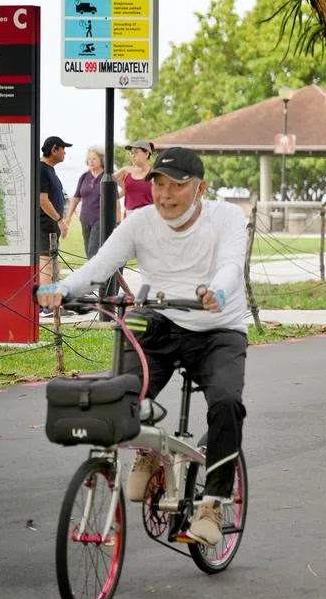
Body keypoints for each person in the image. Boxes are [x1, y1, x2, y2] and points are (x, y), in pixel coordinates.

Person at [38, 147, 248, 547]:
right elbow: (99, 265)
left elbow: (231, 265)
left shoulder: (226, 218)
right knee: (121, 393)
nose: (165, 195)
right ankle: (148, 451)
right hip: (161, 320)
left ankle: (212, 503)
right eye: (159, 184)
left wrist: (217, 291)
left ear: (201, 188)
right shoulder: (141, 222)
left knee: (226, 404)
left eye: (177, 186)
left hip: (217, 328)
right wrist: (63, 288)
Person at [37, 136, 71, 312]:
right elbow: (42, 200)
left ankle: (52, 303)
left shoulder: (50, 170)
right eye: (63, 149)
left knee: (52, 263)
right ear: (54, 149)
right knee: (46, 264)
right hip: (44, 225)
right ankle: (47, 306)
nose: (65, 153)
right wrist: (60, 221)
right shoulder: (42, 169)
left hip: (51, 226)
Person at [64, 146, 114, 259]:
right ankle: (97, 270)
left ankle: (94, 271)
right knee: (88, 252)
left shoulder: (107, 177)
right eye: (89, 159)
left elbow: (114, 198)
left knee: (93, 251)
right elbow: (76, 197)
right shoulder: (84, 177)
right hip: (85, 219)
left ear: (102, 160)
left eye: (94, 159)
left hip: (100, 219)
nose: (91, 161)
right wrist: (68, 217)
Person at [116, 140, 155, 216]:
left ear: (146, 154)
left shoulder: (154, 174)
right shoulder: (126, 172)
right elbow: (107, 181)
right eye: (131, 153)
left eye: (136, 152)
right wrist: (123, 169)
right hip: (129, 217)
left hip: (148, 216)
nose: (133, 155)